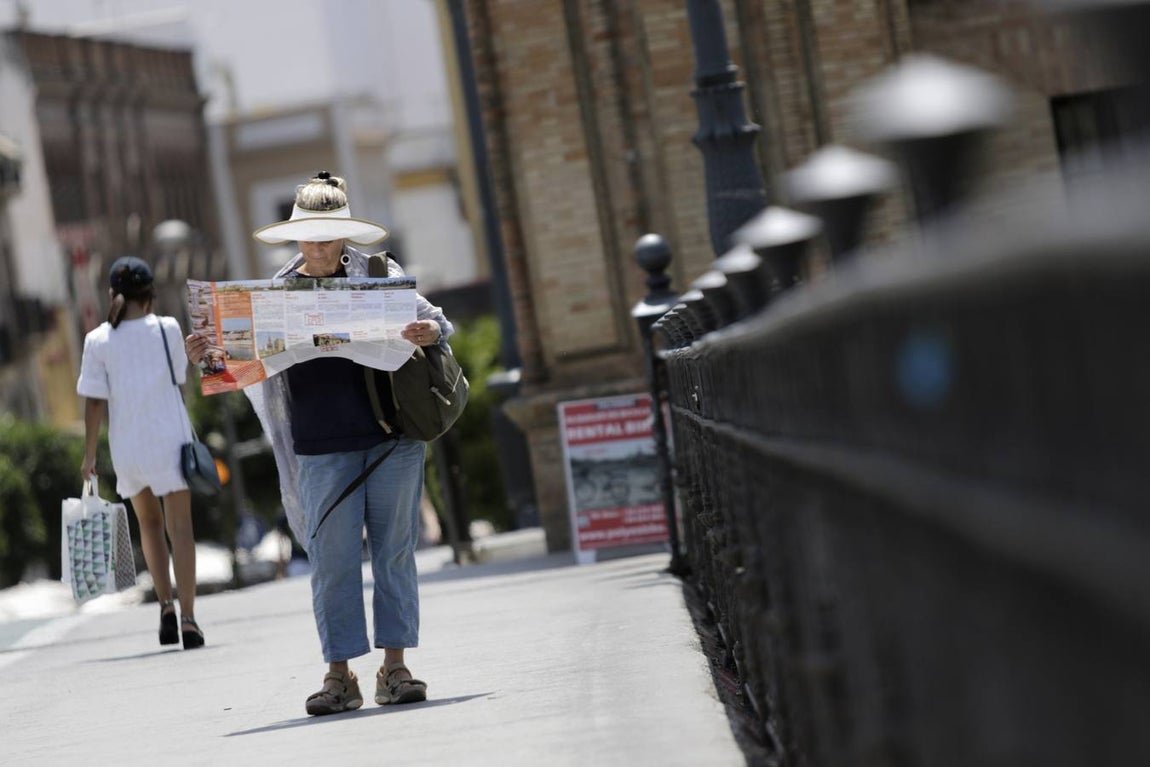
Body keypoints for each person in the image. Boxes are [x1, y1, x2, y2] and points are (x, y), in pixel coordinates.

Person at [185, 171, 453, 715]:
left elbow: (439, 323)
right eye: (309, 236)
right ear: (295, 237)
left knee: (394, 553)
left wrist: (429, 334)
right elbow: (234, 369)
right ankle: (339, 676)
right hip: (317, 443)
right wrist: (207, 356)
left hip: (391, 437)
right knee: (330, 563)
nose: (319, 246)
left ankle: (395, 668)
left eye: (329, 236)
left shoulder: (380, 275)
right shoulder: (270, 297)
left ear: (346, 235)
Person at [77, 256, 205, 650]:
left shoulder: (97, 340)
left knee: (148, 526)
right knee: (179, 527)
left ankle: (164, 606)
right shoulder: (167, 329)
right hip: (169, 438)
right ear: (150, 294)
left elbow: (94, 402)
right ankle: (188, 619)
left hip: (128, 446)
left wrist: (89, 455)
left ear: (112, 294)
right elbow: (178, 381)